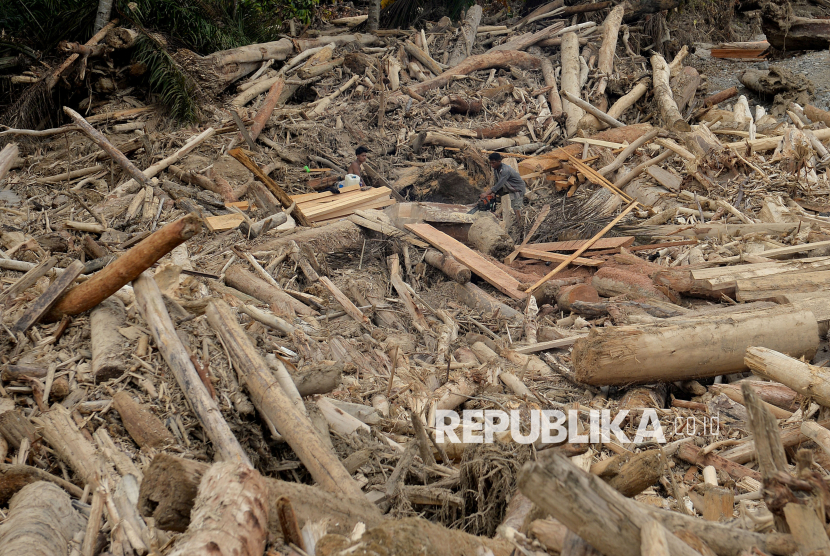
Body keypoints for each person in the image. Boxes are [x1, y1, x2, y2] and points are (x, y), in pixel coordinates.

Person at [481, 152, 526, 229]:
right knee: (492, 197)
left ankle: (520, 225)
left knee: (516, 207)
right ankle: (493, 211)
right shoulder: (496, 169)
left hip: (517, 189)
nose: (492, 165)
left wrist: (487, 193)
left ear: (499, 161)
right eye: (490, 163)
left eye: (493, 163)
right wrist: (494, 193)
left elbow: (500, 184)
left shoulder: (505, 170)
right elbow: (496, 182)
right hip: (507, 187)